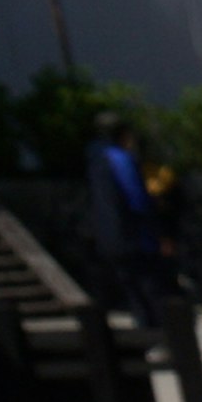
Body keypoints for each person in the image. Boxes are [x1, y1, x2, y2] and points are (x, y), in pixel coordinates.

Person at [82, 112, 172, 328]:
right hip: (135, 236)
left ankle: (147, 334)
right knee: (151, 288)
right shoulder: (119, 158)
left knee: (132, 291)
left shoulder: (93, 160)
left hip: (108, 238)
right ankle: (164, 336)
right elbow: (137, 199)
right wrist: (160, 232)